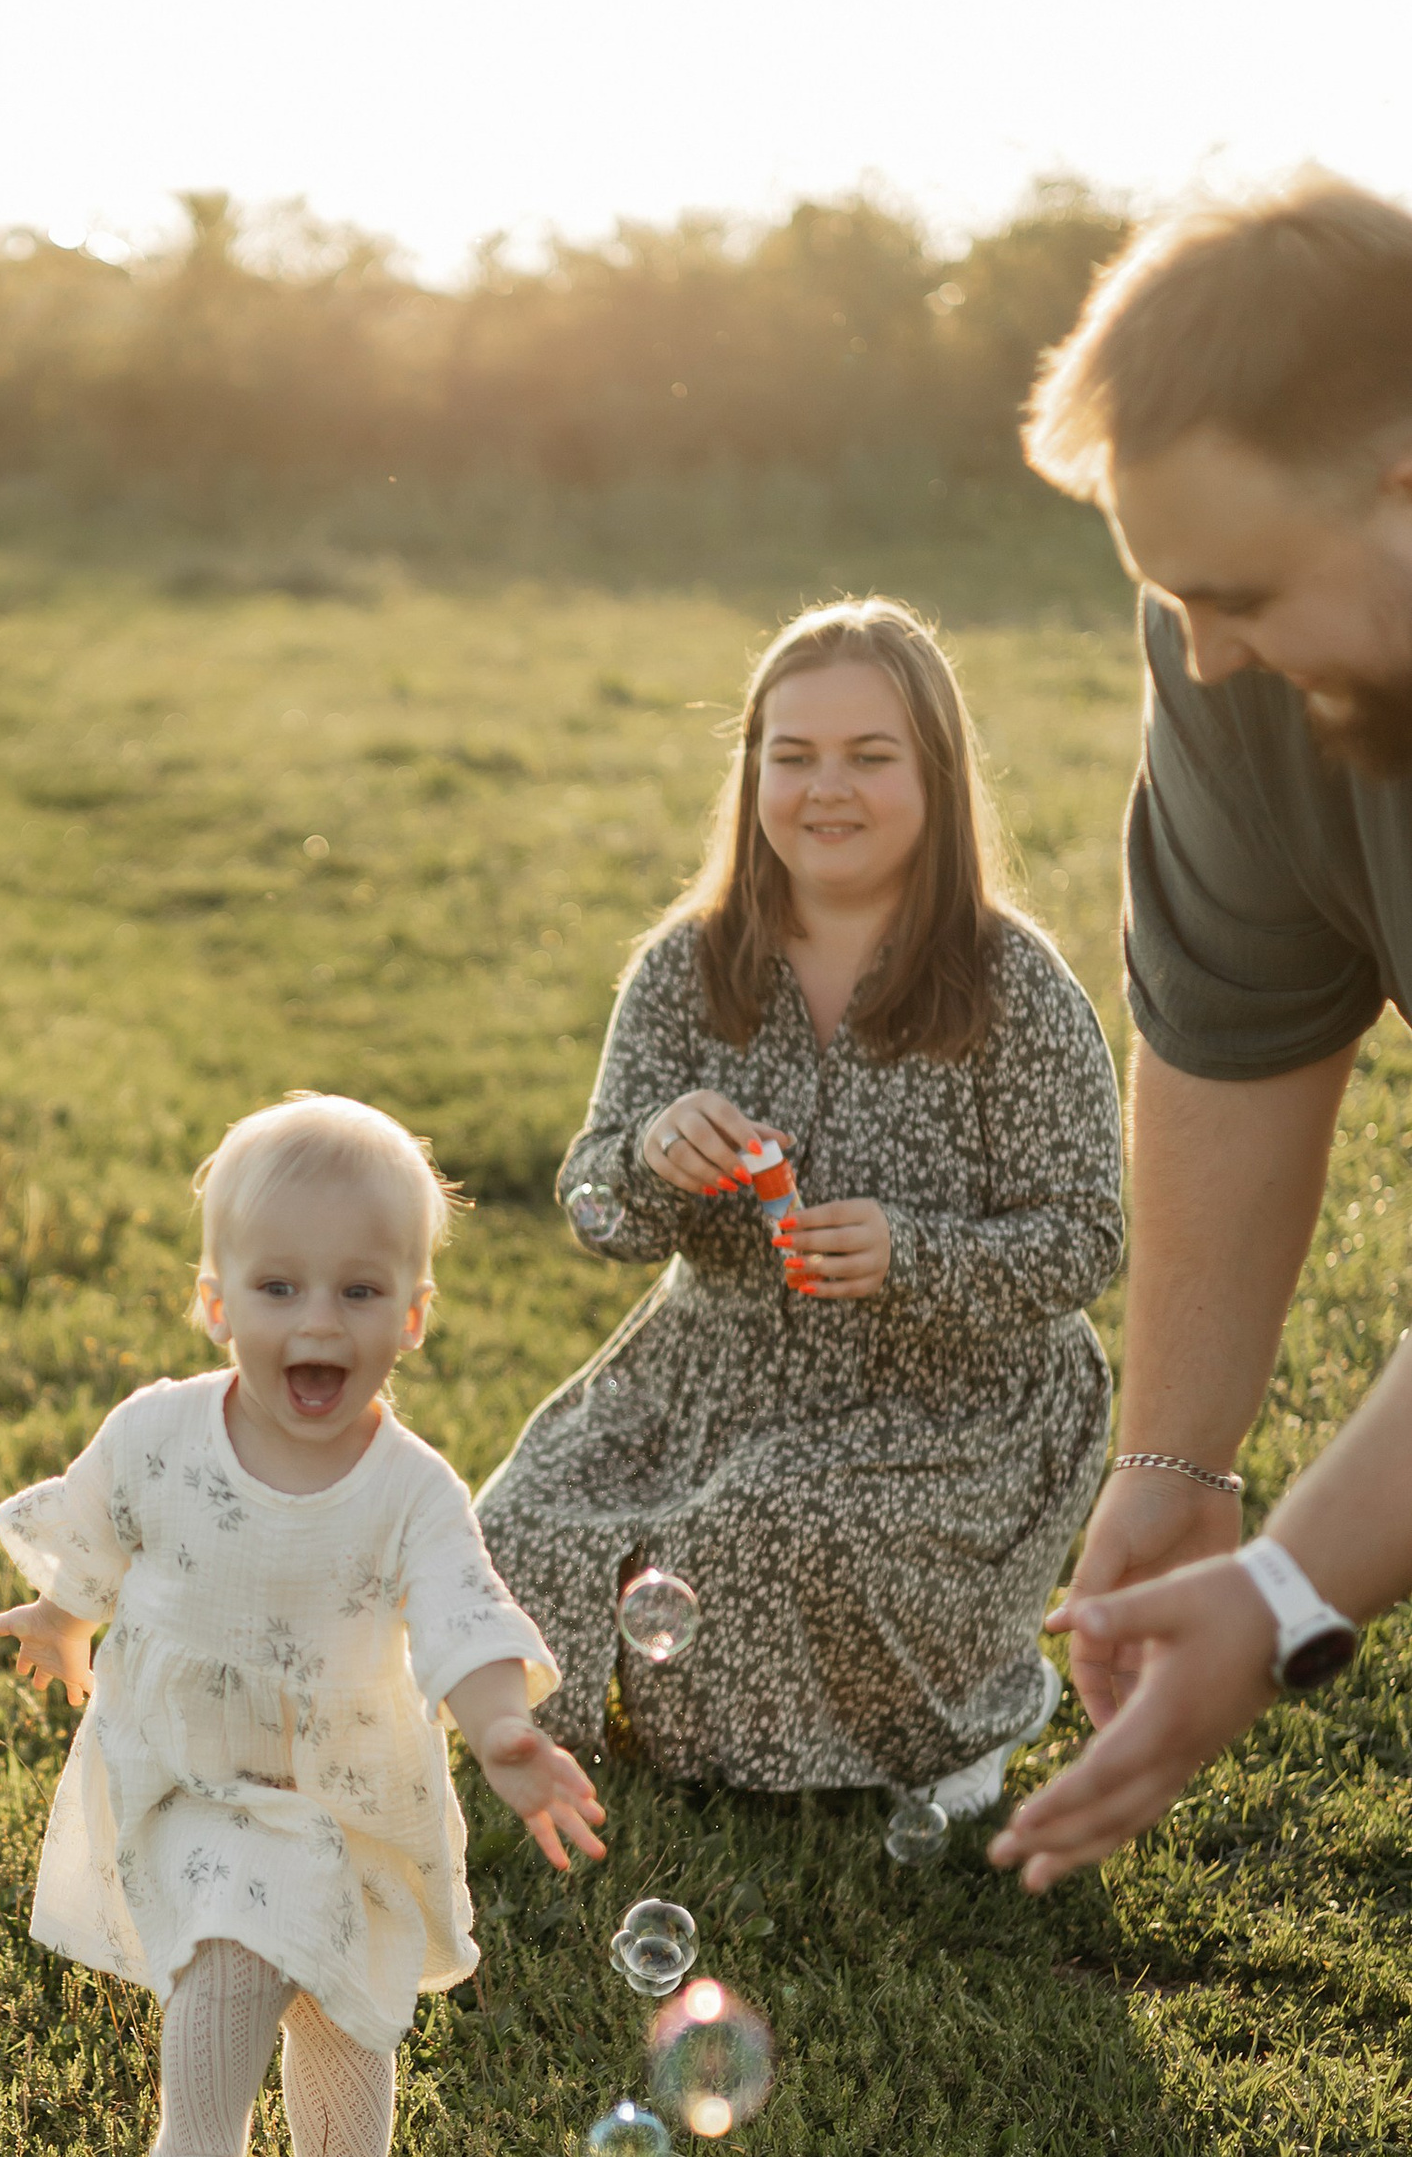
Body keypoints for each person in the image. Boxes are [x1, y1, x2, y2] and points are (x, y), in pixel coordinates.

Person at [475, 599, 1123, 1807]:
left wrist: (912, 1255)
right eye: (793, 756)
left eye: (869, 757)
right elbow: (594, 1207)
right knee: (518, 1527)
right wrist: (647, 1158)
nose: (827, 789)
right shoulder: (686, 967)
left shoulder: (1012, 985)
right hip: (715, 1369)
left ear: (935, 777)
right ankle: (668, 1721)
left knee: (763, 1528)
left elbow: (1086, 1239)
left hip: (951, 1393)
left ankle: (954, 1720)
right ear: (753, 774)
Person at [0, 1093, 603, 2157]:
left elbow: (463, 1615)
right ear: (215, 1303)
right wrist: (60, 1616)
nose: (317, 1320)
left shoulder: (413, 1490)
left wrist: (502, 1729)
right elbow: (100, 1526)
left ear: (412, 1316)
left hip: (350, 1788)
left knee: (346, 2002)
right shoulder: (159, 1433)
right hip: (197, 1772)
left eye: (359, 1291)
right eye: (278, 1289)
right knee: (236, 1935)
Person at [992, 178, 1412, 1888]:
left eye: (1237, 591)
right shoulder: (1236, 651)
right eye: (1175, 598)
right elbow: (1238, 1027)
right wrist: (1178, 1459)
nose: (1209, 657)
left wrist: (1289, 1594)